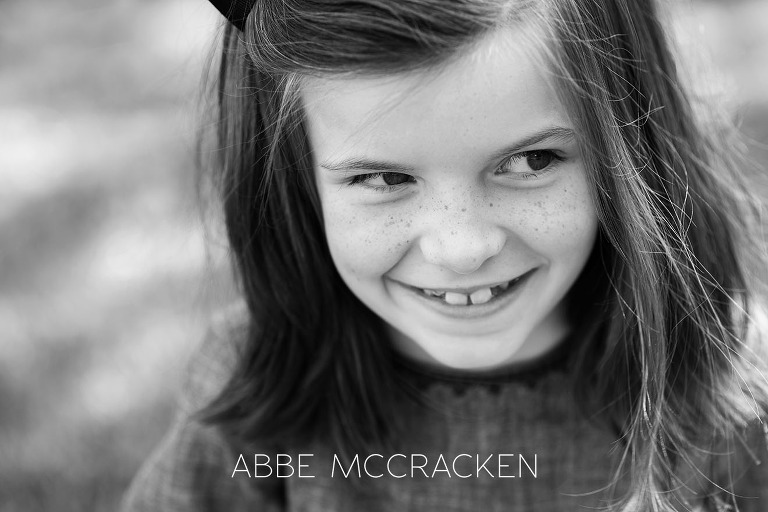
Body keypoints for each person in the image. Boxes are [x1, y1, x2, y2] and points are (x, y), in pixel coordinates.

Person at [122, 0, 768, 510]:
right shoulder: (255, 391)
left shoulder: (732, 392)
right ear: (295, 182)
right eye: (384, 179)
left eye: (530, 161)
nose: (461, 248)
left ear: (630, 147)